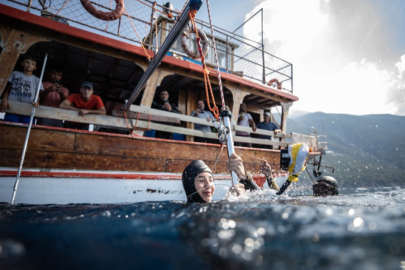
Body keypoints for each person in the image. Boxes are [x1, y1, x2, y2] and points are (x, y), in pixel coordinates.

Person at [182, 153, 259, 203]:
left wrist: (244, 177)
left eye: (211, 180)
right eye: (201, 180)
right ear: (190, 185)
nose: (208, 185)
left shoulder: (216, 206)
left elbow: (260, 199)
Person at [0, 55, 44, 124]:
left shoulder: (37, 80)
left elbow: (37, 95)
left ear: (35, 67)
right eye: (27, 62)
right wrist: (4, 98)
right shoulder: (15, 74)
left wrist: (37, 102)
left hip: (28, 109)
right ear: (22, 63)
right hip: (12, 107)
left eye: (32, 64)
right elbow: (8, 88)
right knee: (9, 128)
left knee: (24, 130)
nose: (29, 65)